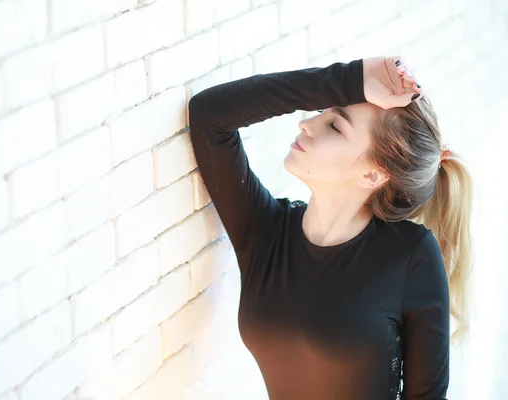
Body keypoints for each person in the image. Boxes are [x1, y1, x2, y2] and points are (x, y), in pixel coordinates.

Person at [187, 55, 474, 399]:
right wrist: (348, 80)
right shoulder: (266, 232)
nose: (307, 123)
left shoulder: (410, 256)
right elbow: (209, 116)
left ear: (372, 174)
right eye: (323, 111)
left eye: (335, 126)